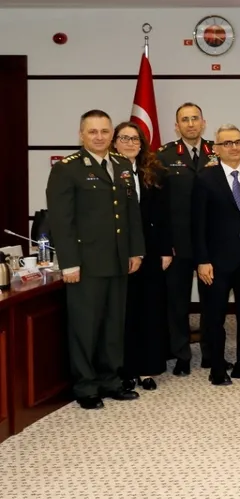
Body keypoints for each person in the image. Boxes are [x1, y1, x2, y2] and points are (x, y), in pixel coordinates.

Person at [48, 110, 145, 408]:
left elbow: (131, 212)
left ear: (111, 135)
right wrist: (69, 263)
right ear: (81, 135)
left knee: (113, 325)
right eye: (93, 131)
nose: (99, 137)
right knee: (85, 327)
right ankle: (86, 386)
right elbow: (61, 221)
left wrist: (135, 250)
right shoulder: (67, 169)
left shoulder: (121, 164)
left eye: (104, 131)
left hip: (118, 259)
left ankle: (110, 380)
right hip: (86, 263)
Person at [192, 125, 240, 386]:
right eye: (227, 143)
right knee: (215, 317)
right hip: (216, 262)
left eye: (238, 142)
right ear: (216, 149)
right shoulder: (205, 178)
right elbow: (198, 224)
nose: (234, 147)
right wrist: (202, 260)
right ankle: (217, 368)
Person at [156, 102, 215, 375]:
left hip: (211, 243)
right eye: (185, 120)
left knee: (211, 301)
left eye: (195, 118)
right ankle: (181, 354)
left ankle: (211, 353)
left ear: (203, 123)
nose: (190, 124)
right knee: (177, 302)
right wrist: (164, 242)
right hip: (178, 243)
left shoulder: (217, 151)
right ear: (176, 126)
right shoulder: (164, 156)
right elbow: (159, 205)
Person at [111, 121, 170, 391]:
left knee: (150, 309)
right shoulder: (107, 172)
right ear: (114, 143)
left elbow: (165, 213)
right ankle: (126, 369)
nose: (130, 143)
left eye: (135, 139)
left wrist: (166, 249)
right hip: (118, 251)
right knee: (125, 311)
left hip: (152, 249)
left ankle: (149, 368)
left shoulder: (155, 172)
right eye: (124, 138)